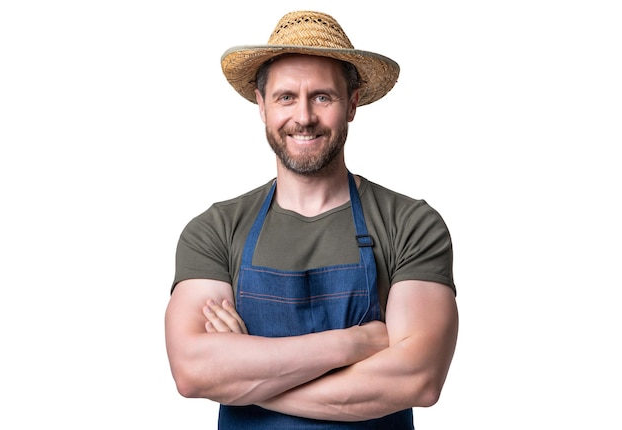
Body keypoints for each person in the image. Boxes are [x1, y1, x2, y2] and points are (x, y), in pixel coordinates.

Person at [165, 10, 459, 429]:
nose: (303, 116)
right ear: (261, 105)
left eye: (322, 96)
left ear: (352, 104)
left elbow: (418, 378)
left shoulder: (409, 224)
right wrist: (353, 342)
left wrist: (247, 379)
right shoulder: (214, 230)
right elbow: (193, 371)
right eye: (286, 97)